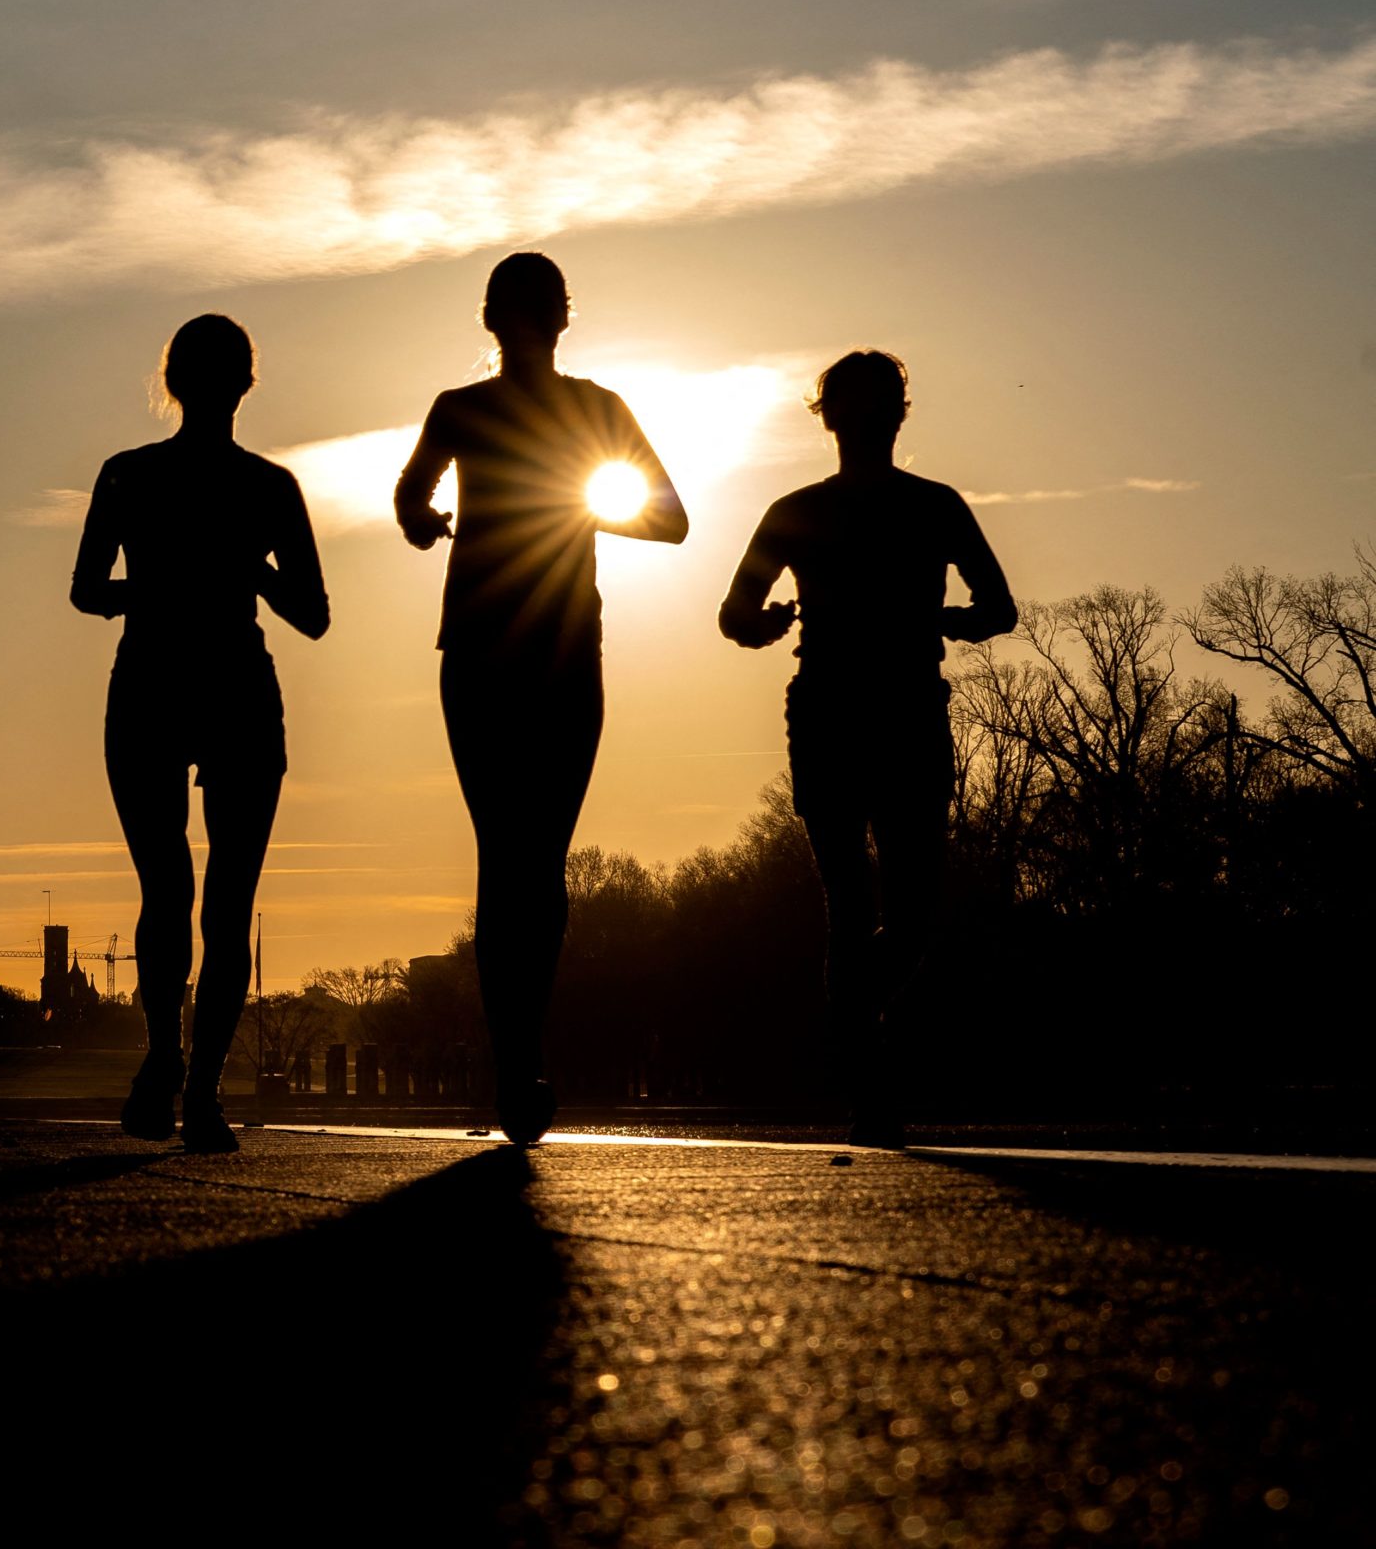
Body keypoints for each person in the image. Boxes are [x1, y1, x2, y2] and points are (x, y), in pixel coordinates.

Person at [395, 253, 686, 1147]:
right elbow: (667, 518)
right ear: (561, 318)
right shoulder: (574, 409)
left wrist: (436, 521)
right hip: (538, 654)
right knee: (531, 861)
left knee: (516, 859)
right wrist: (584, 512)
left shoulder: (472, 410)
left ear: (498, 319)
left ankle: (517, 1059)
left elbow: (410, 500)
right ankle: (519, 1060)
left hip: (512, 652)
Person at [718, 349, 1014, 1146]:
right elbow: (734, 613)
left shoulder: (930, 506)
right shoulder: (802, 510)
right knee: (858, 906)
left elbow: (1000, 606)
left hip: (897, 711)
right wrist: (768, 625)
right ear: (844, 417)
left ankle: (852, 1033)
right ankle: (868, 1089)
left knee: (901, 911)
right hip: (843, 713)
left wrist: (953, 623)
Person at [73, 314, 329, 1153]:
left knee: (168, 893)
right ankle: (202, 1091)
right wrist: (243, 568)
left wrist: (144, 596)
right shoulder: (270, 488)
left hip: (148, 684)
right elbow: (315, 617)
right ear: (246, 385)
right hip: (235, 690)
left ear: (172, 383)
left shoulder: (126, 476)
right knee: (225, 905)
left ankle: (163, 1062)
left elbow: (84, 591)